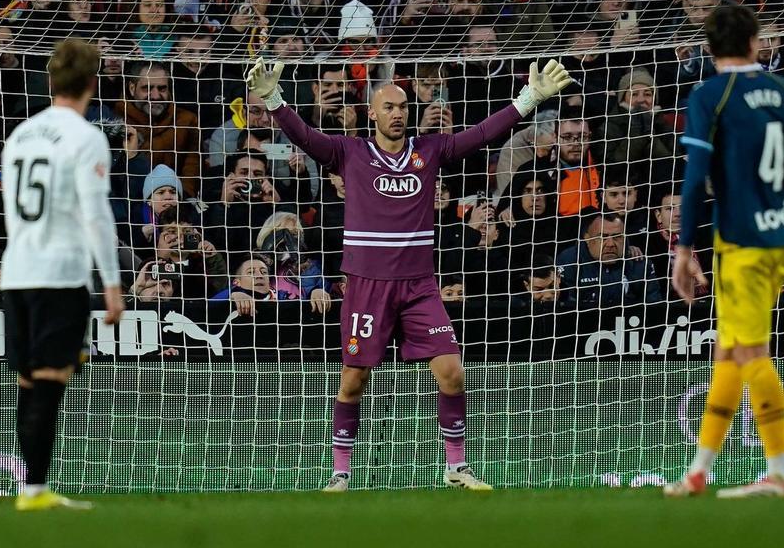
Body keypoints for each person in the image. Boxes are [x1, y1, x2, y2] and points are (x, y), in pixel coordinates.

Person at [245, 53, 572, 492]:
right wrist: (273, 98)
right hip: (367, 287)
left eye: (402, 107)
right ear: (372, 114)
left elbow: (480, 134)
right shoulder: (350, 152)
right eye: (388, 107)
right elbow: (305, 137)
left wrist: (530, 97)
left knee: (452, 373)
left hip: (419, 287)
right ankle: (340, 473)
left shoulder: (430, 150)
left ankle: (456, 468)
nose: (397, 114)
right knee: (353, 381)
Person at [666, 4, 784, 499]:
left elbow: (693, 180)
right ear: (756, 41)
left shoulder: (712, 93)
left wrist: (683, 248)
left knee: (751, 353)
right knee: (730, 353)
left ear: (709, 50)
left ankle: (782, 472)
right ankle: (698, 471)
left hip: (742, 244)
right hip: (781, 239)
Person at [0, 38, 123, 512]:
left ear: (51, 81)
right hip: (60, 272)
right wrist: (111, 285)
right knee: (51, 378)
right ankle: (33, 491)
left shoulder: (20, 135)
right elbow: (96, 212)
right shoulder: (86, 136)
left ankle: (31, 487)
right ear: (94, 83)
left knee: (29, 382)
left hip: (17, 270)